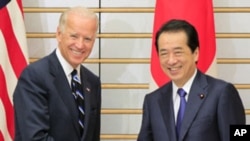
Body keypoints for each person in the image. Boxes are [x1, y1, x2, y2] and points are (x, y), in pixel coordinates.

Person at [137, 19, 245, 141]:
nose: (171, 60)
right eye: (164, 53)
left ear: (196, 53)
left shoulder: (223, 92)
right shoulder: (152, 101)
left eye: (178, 52)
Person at [13, 6, 101, 141]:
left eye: (87, 39)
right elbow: (34, 138)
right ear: (59, 34)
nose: (80, 45)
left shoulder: (92, 82)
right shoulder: (34, 77)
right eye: (74, 36)